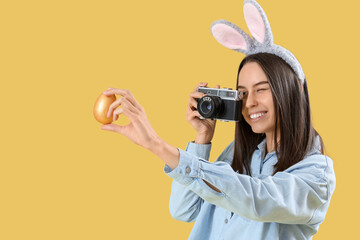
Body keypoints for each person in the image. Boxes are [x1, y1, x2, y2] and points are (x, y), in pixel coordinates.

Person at [101, 1, 336, 239]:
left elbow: (256, 199)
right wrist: (202, 140)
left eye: (261, 89)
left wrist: (156, 144)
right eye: (242, 93)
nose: (250, 102)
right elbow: (183, 210)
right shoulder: (239, 153)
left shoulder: (316, 174)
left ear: (292, 90)